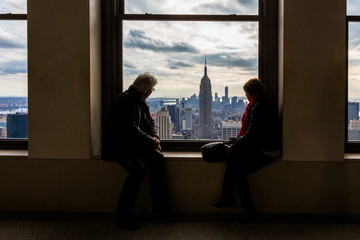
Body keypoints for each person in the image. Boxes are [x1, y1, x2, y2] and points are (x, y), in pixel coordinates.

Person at [102, 72, 171, 230]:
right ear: (145, 89)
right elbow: (129, 130)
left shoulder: (141, 101)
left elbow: (150, 124)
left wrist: (153, 139)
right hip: (119, 147)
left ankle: (160, 208)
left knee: (158, 159)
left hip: (134, 144)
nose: (151, 92)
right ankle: (122, 215)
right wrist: (151, 141)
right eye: (151, 89)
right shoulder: (123, 102)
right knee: (138, 171)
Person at [213, 78, 279, 224]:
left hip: (267, 150)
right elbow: (253, 133)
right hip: (264, 147)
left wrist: (237, 143)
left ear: (249, 93)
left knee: (237, 169)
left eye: (246, 93)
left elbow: (252, 133)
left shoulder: (259, 106)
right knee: (233, 159)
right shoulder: (260, 104)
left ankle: (246, 209)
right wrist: (237, 142)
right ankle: (229, 197)